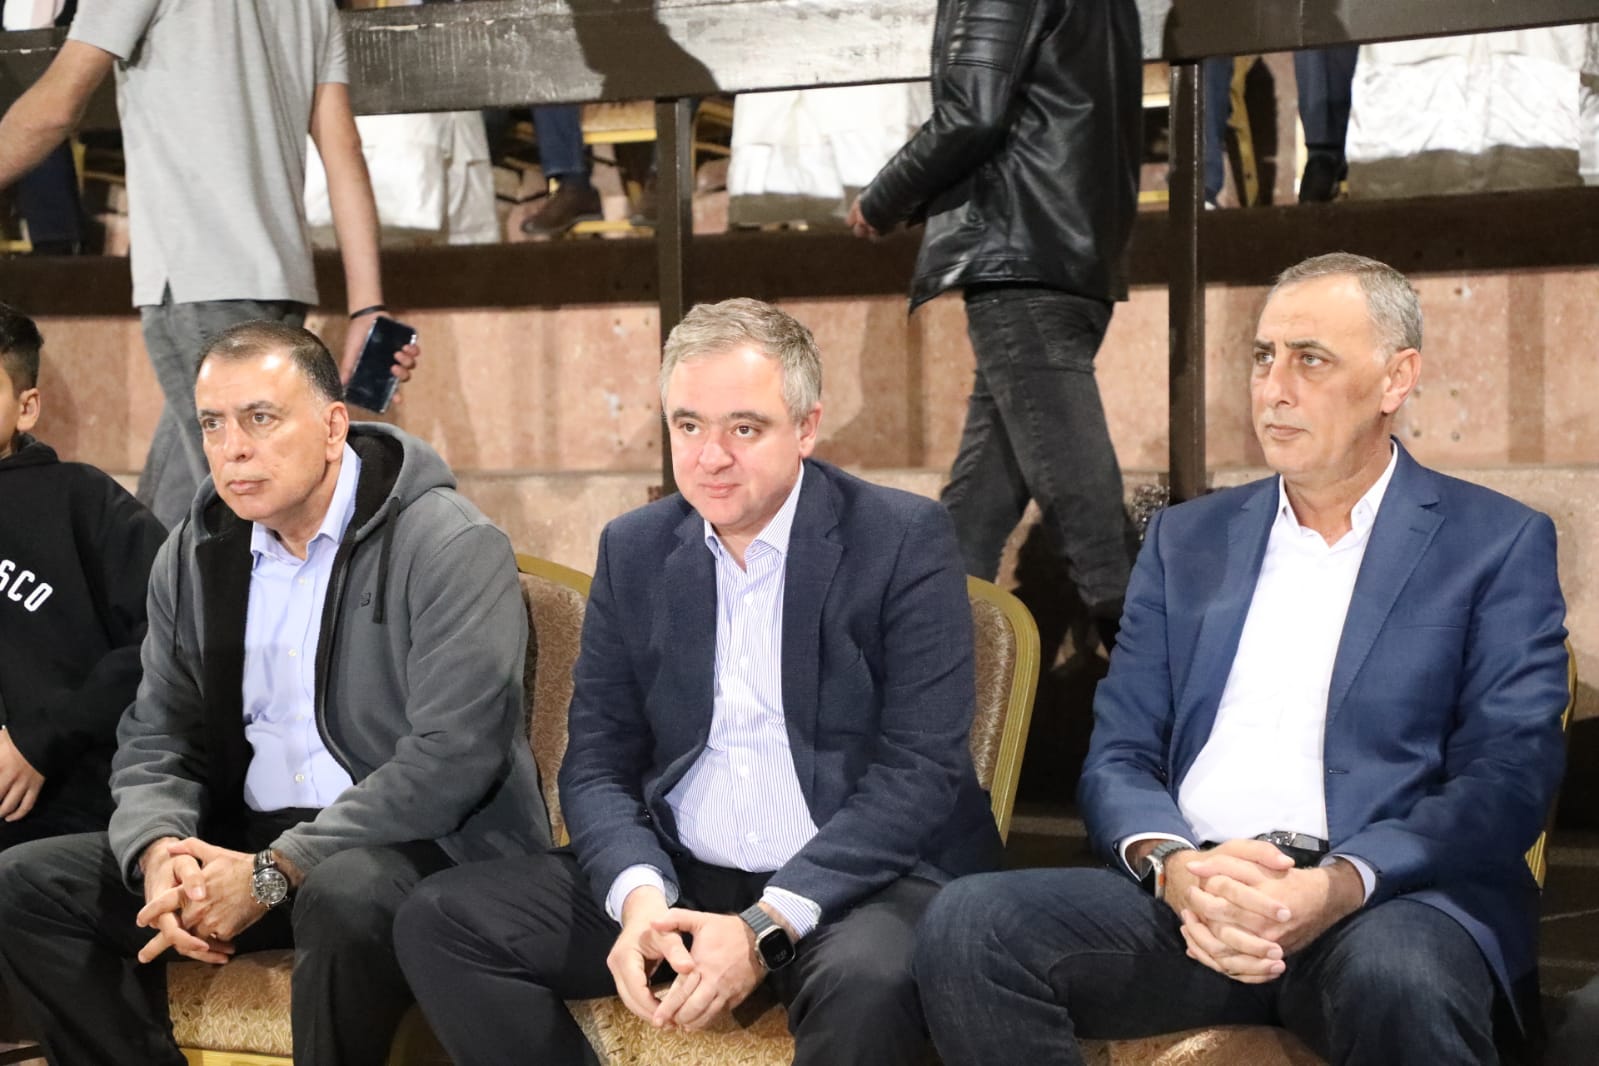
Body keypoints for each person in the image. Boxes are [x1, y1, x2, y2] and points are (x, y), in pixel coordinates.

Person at [913, 252, 1570, 1066]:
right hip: (1194, 894)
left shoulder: (1491, 543)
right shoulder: (1187, 540)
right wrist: (1173, 866)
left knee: (1399, 977)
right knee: (968, 925)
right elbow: (1119, 753)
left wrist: (1340, 881)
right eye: (1263, 357)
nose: (1273, 388)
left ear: (1396, 379)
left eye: (1310, 359)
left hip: (1383, 900)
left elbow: (1508, 775)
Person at [394, 298, 1001, 1066]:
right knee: (443, 919)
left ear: (806, 428)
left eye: (743, 428)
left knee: (868, 981)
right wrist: (638, 896)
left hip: (861, 879)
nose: (710, 457)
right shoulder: (636, 547)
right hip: (684, 871)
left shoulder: (900, 538)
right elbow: (598, 759)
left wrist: (763, 926)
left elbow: (919, 770)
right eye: (688, 425)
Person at [0, 321, 548, 1066]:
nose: (233, 448)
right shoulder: (195, 551)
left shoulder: (446, 543)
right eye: (213, 424)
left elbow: (452, 758)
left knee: (342, 892)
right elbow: (157, 733)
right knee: (26, 885)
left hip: (415, 847)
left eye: (260, 418)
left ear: (333, 426)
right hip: (246, 842)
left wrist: (274, 871)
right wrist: (159, 848)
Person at [0, 0, 418, 529]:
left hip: (197, 279)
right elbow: (343, 148)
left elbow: (58, 104)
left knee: (239, 519)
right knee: (176, 522)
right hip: (278, 286)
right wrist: (367, 307)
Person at [848, 0, 1142, 646]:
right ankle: (927, 666)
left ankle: (1162, 670)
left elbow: (973, 112)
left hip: (1024, 242)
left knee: (1096, 544)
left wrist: (883, 197)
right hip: (1075, 242)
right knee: (974, 511)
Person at [0, 302, 166, 852]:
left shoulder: (83, 500)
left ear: (26, 407)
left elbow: (170, 634)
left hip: (70, 803)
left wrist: (41, 740)